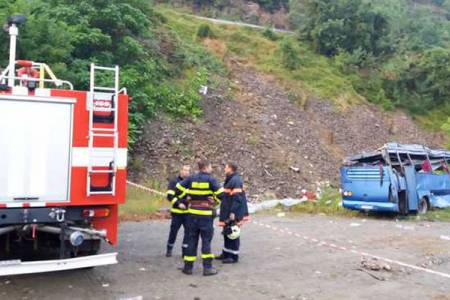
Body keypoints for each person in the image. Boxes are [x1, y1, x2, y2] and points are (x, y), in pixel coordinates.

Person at [175, 160, 224, 276]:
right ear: (206, 167)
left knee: (191, 240)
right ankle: (207, 268)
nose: (211, 169)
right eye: (211, 167)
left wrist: (188, 196)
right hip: (205, 216)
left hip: (192, 215)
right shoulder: (211, 180)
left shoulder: (191, 178)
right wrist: (214, 201)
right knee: (206, 241)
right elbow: (222, 195)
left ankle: (188, 267)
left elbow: (177, 189)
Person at [217, 162, 248, 264]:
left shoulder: (235, 180)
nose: (224, 169)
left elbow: (237, 198)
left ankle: (233, 256)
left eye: (226, 167)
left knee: (233, 233)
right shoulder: (230, 179)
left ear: (230, 169)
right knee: (227, 232)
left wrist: (233, 212)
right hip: (227, 210)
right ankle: (226, 253)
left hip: (233, 212)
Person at [165, 165, 191, 258]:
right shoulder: (174, 182)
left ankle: (185, 251)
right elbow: (169, 196)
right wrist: (178, 204)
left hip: (188, 213)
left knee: (188, 232)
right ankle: (169, 249)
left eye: (188, 170)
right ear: (181, 171)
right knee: (173, 231)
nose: (187, 172)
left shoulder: (190, 182)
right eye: (185, 170)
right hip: (177, 212)